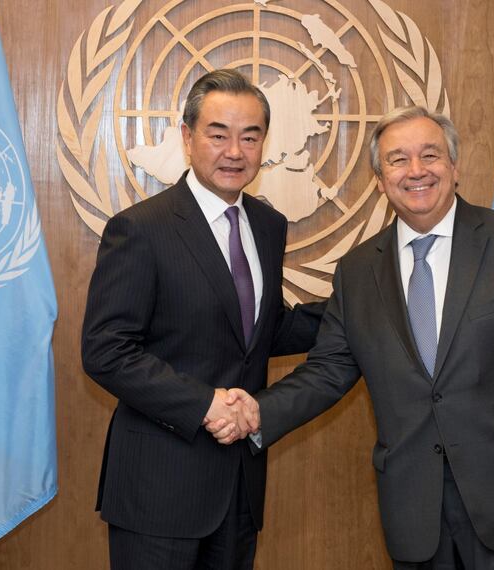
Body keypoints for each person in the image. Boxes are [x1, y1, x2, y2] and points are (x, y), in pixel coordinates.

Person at [209, 105, 494, 569]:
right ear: (381, 179)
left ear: (454, 166)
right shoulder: (358, 271)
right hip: (416, 513)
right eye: (398, 160)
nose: (416, 171)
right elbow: (329, 370)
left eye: (430, 155)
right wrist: (259, 411)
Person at [81, 69, 324, 570]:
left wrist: (365, 309)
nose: (234, 151)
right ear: (188, 138)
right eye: (218, 134)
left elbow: (259, 330)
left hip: (239, 487)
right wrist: (204, 403)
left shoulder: (267, 225)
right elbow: (106, 350)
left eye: (250, 136)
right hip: (158, 489)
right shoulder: (141, 228)